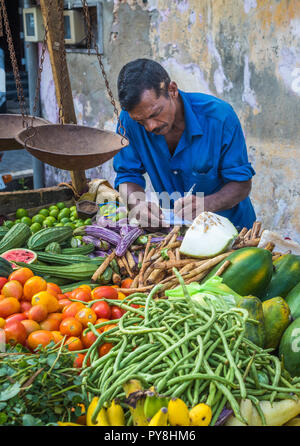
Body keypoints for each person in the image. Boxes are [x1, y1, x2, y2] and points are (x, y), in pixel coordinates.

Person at [113, 58, 256, 230]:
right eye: (140, 121)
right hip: (176, 232)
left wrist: (206, 204)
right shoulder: (128, 122)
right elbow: (127, 175)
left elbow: (241, 185)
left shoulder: (220, 118)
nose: (150, 126)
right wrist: (137, 205)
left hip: (232, 230)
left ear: (172, 90)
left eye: (155, 114)